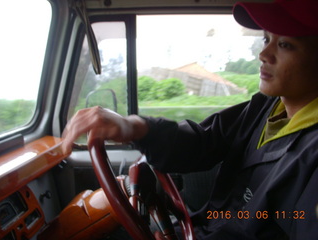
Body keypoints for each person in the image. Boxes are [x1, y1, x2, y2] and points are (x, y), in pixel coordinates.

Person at [62, 0, 318, 239]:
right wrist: (134, 127)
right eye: (266, 39)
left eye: (284, 44)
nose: (264, 54)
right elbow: (204, 141)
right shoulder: (266, 107)